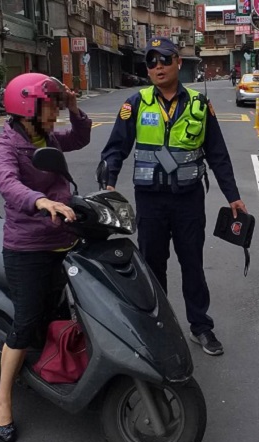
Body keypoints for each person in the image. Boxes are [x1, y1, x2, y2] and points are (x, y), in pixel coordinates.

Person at [100, 37, 247, 356]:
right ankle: (158, 328)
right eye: (151, 62)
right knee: (152, 267)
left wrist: (232, 195)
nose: (158, 67)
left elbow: (217, 153)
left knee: (192, 263)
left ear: (179, 62)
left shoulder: (198, 104)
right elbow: (116, 148)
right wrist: (108, 181)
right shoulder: (136, 103)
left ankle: (200, 327)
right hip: (151, 202)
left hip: (188, 200)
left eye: (164, 59)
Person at [0, 72, 91, 442]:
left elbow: (79, 138)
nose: (55, 114)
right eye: (50, 107)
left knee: (62, 311)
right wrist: (41, 200)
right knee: (27, 320)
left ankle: (54, 369)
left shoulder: (46, 137)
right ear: (27, 108)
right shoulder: (6, 145)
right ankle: (2, 398)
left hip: (63, 237)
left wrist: (75, 107)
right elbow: (8, 182)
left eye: (56, 106)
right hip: (27, 245)